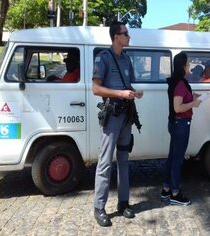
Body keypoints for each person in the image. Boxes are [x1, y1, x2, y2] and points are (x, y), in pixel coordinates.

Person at [92, 21, 143, 227]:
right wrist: (120, 93)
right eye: (126, 34)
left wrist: (132, 93)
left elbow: (126, 85)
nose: (129, 36)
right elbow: (96, 88)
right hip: (112, 116)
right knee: (105, 162)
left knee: (124, 160)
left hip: (126, 116)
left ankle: (123, 203)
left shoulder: (127, 60)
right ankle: (99, 208)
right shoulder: (103, 58)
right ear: (116, 37)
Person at [161, 52, 201, 206]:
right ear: (182, 66)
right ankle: (175, 193)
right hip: (180, 124)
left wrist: (192, 97)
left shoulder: (177, 82)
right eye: (188, 64)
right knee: (177, 159)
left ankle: (166, 189)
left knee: (172, 157)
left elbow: (181, 99)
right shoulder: (179, 83)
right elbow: (177, 107)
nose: (189, 66)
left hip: (176, 124)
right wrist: (193, 104)